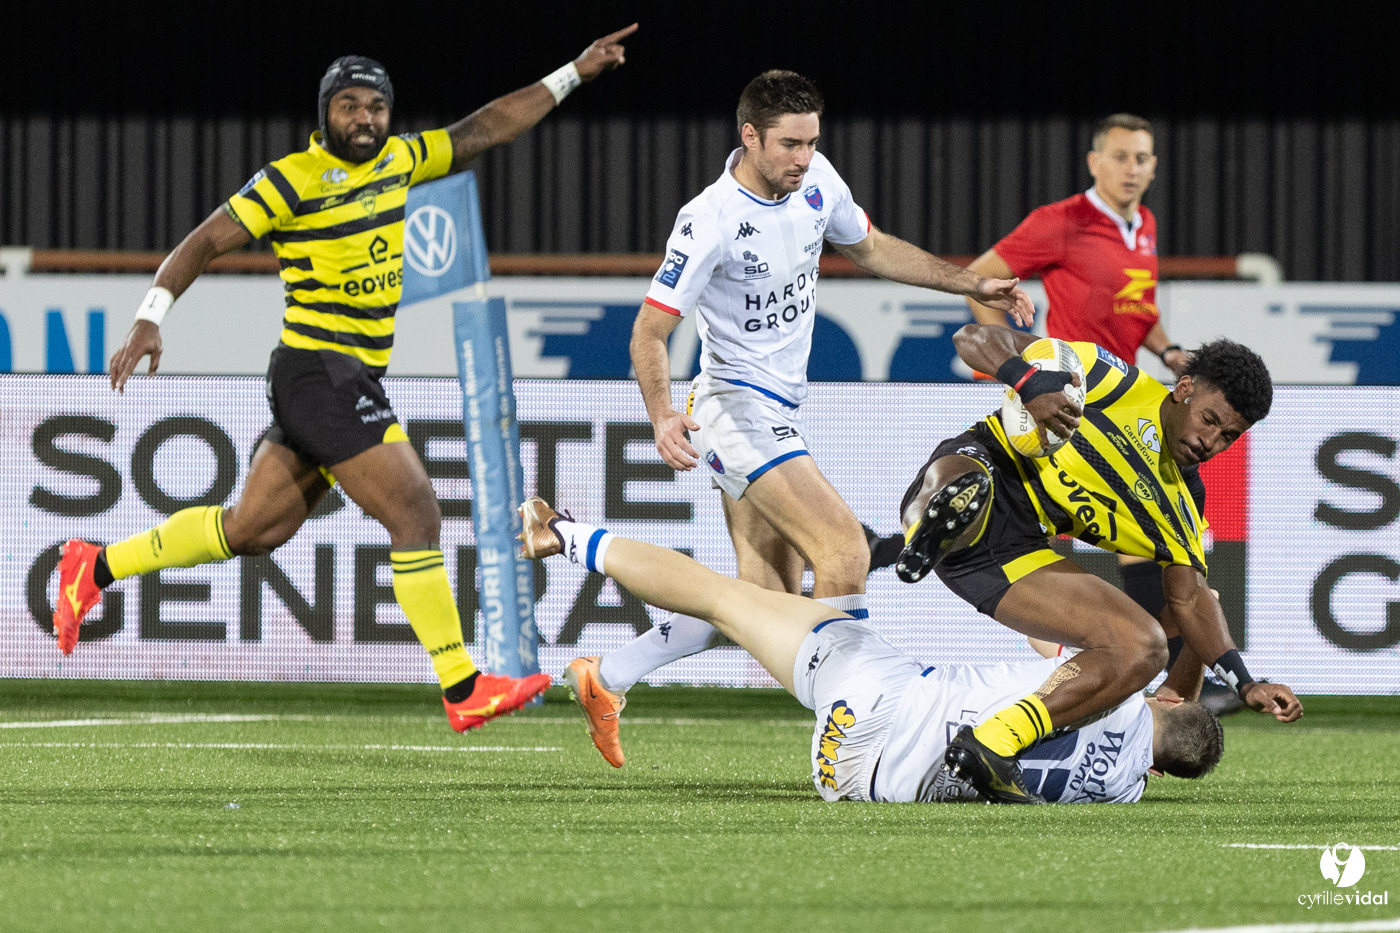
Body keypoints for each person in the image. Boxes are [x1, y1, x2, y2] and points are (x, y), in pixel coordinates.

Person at [51, 26, 639, 732]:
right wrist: (150, 317)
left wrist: (573, 71)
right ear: (324, 112)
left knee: (251, 530)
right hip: (318, 372)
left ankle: (94, 566)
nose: (365, 119)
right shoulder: (291, 179)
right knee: (416, 512)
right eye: (350, 106)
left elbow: (487, 128)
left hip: (346, 377)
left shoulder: (400, 159)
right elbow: (204, 241)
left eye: (376, 107)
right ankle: (462, 685)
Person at [561, 71, 1036, 762]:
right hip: (733, 409)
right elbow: (649, 331)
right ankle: (863, 727)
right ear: (750, 136)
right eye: (790, 144)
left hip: (777, 408)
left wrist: (971, 282)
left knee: (766, 597)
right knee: (844, 550)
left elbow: (871, 247)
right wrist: (661, 413)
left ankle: (608, 674)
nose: (804, 158)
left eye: (812, 142)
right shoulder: (709, 219)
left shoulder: (816, 182)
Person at [518, 495, 1226, 804]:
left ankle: (564, 537)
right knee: (795, 593)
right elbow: (1169, 717)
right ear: (1159, 771)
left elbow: (1067, 640)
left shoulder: (1107, 681)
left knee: (727, 596)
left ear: (1166, 699)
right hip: (855, 781)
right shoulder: (1124, 786)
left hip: (880, 695)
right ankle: (611, 673)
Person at [889, 326, 1302, 801]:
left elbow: (1190, 599)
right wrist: (1029, 383)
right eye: (1209, 420)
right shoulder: (1114, 381)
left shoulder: (1184, 503)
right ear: (1185, 388)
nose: (1210, 441)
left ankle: (994, 743)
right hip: (989, 464)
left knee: (1144, 646)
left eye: (1228, 436)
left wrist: (1246, 684)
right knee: (966, 483)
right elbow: (972, 338)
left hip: (1013, 551)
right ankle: (930, 527)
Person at [960, 113, 1201, 669]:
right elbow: (979, 279)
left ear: (1154, 167)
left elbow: (1139, 308)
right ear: (1094, 162)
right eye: (1120, 156)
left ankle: (1137, 664)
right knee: (1109, 523)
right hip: (1071, 402)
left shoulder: (1143, 224)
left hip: (1124, 399)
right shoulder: (1062, 220)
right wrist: (1022, 365)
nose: (1131, 168)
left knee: (1134, 526)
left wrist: (1167, 350)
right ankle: (1136, 669)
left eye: (1141, 158)